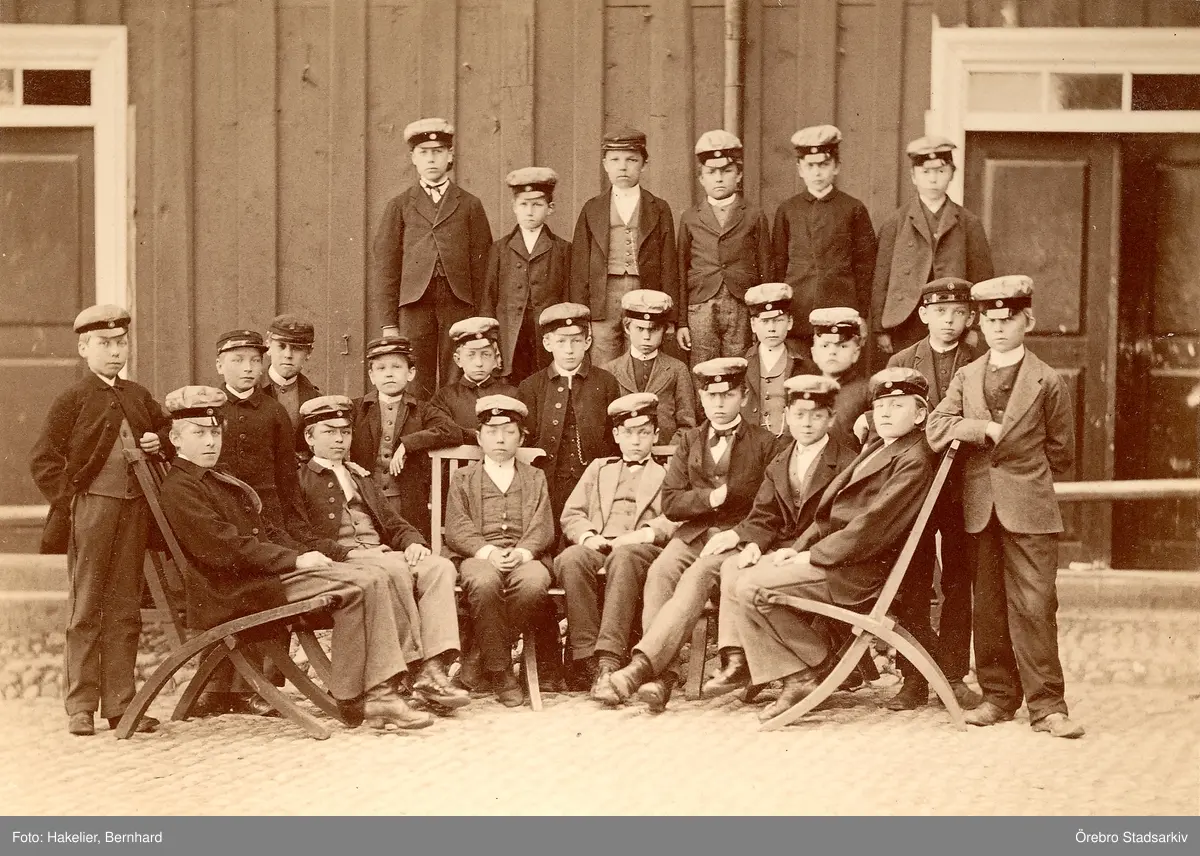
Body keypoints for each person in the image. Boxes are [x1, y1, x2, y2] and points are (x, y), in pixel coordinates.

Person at [158, 385, 433, 731]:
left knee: (369, 578)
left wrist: (302, 553)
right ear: (176, 439)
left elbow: (262, 531)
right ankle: (369, 694)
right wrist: (295, 561)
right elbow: (225, 549)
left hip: (258, 574)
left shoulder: (215, 477)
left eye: (215, 433)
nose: (211, 442)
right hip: (235, 588)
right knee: (365, 581)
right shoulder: (182, 488)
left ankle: (368, 692)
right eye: (199, 434)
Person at [731, 367, 938, 722]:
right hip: (842, 560)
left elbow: (871, 529)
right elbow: (829, 516)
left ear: (920, 415)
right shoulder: (880, 446)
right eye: (881, 405)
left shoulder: (913, 459)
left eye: (897, 405)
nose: (885, 413)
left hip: (859, 573)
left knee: (751, 588)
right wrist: (798, 549)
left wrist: (812, 556)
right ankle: (816, 667)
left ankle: (806, 672)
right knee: (740, 579)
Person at [927, 275, 1083, 739]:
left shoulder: (1048, 380)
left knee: (1035, 604)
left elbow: (1062, 451)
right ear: (980, 323)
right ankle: (998, 697)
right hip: (980, 508)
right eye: (991, 320)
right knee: (989, 607)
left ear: (1027, 322)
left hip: (1030, 509)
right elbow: (937, 426)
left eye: (1008, 320)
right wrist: (983, 430)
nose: (998, 328)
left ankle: (1048, 706)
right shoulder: (967, 375)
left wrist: (1022, 473)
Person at [600, 358, 784, 712]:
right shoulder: (689, 440)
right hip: (693, 533)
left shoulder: (766, 443)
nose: (719, 403)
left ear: (744, 397)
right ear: (701, 398)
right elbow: (671, 503)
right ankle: (662, 677)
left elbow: (771, 505)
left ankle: (642, 669)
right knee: (660, 571)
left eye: (727, 394)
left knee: (696, 576)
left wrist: (739, 534)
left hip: (736, 538)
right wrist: (710, 498)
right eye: (711, 396)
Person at [30, 305, 170, 736]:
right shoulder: (72, 399)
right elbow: (43, 459)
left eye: (121, 343)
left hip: (134, 512)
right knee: (86, 605)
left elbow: (168, 434)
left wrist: (158, 441)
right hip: (91, 511)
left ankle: (121, 705)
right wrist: (72, 503)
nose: (114, 352)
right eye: (104, 344)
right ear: (84, 348)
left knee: (126, 606)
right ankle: (81, 706)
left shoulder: (139, 395)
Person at [296, 395, 468, 712]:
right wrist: (346, 555)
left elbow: (391, 521)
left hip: (379, 554)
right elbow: (300, 536)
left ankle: (434, 667)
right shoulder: (299, 479)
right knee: (395, 569)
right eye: (329, 432)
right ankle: (414, 669)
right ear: (309, 437)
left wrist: (413, 541)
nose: (339, 439)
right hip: (340, 565)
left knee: (439, 567)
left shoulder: (360, 477)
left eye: (345, 432)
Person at [701, 375, 858, 699]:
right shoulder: (781, 461)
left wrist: (793, 552)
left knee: (749, 582)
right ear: (786, 416)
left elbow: (840, 523)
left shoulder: (846, 462)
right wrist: (753, 545)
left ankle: (786, 668)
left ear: (831, 418)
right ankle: (737, 658)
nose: (807, 423)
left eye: (817, 415)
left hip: (821, 556)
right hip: (785, 551)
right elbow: (765, 514)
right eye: (799, 414)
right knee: (733, 565)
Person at [885, 277, 984, 711]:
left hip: (964, 485)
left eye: (959, 313)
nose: (949, 321)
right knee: (912, 578)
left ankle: (953, 674)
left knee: (959, 579)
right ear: (924, 314)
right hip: (915, 485)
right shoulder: (901, 362)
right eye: (940, 312)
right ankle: (913, 677)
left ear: (970, 317)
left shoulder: (980, 361)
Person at [554, 393, 679, 694]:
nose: (636, 441)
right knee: (571, 558)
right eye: (628, 433)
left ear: (655, 435)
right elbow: (572, 513)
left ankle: (608, 661)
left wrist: (643, 534)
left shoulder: (667, 474)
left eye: (644, 433)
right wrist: (588, 536)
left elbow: (676, 516)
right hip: (600, 544)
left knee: (624, 557)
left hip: (640, 550)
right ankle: (586, 658)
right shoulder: (600, 469)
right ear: (616, 435)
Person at [444, 395, 555, 707]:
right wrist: (487, 552)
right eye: (492, 432)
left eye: (508, 432)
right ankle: (501, 671)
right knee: (483, 583)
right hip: (479, 556)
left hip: (524, 556)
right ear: (479, 438)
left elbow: (543, 525)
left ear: (521, 438)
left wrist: (522, 553)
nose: (501, 439)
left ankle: (479, 657)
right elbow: (457, 526)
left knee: (534, 583)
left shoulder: (535, 476)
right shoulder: (463, 477)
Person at [369, 117, 492, 394]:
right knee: (415, 376)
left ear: (450, 155)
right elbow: (387, 266)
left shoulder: (470, 204)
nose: (431, 159)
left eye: (438, 151)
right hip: (415, 304)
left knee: (457, 374)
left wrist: (482, 316)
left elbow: (483, 266)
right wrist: (389, 323)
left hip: (458, 302)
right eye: (424, 152)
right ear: (413, 158)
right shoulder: (399, 205)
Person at [871, 136, 994, 357]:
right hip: (905, 321)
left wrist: (975, 326)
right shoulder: (895, 223)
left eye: (940, 171)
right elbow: (881, 278)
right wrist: (880, 328)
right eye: (925, 172)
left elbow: (982, 279)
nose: (933, 179)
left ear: (952, 173)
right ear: (913, 176)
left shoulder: (969, 223)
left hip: (953, 320)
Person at [570, 127, 679, 366]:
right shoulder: (592, 208)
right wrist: (580, 312)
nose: (623, 167)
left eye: (631, 160)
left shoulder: (659, 208)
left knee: (641, 353)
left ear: (644, 164)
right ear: (605, 164)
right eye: (615, 160)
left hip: (644, 290)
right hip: (603, 294)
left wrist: (671, 315)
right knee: (603, 353)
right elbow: (579, 266)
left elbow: (669, 263)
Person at [771, 125, 876, 345]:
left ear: (836, 167)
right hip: (798, 309)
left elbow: (865, 266)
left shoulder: (853, 208)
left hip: (840, 307)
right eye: (810, 166)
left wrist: (861, 313)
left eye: (824, 165)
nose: (817, 173)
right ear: (800, 169)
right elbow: (779, 263)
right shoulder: (788, 209)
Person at [517, 303, 621, 522]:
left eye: (576, 341)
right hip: (548, 484)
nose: (569, 349)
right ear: (547, 343)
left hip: (594, 482)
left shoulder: (606, 382)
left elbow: (613, 439)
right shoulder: (531, 387)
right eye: (561, 341)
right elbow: (526, 441)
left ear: (588, 342)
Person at [349, 333, 458, 541]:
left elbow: (451, 431)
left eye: (397, 367)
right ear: (371, 376)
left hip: (407, 503)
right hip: (367, 500)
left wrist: (408, 444)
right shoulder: (356, 409)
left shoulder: (422, 410)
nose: (389, 374)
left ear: (411, 373)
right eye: (381, 368)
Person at [675, 130, 772, 365]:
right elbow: (680, 270)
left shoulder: (753, 215)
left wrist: (763, 314)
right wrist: (682, 322)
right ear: (701, 178)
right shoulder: (690, 217)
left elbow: (766, 267)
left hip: (741, 303)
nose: (719, 178)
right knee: (702, 366)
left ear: (739, 175)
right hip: (701, 303)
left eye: (726, 171)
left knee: (739, 364)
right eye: (711, 172)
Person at [480, 167, 571, 385]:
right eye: (523, 204)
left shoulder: (563, 249)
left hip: (545, 333)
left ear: (550, 208)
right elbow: (488, 298)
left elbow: (568, 297)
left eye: (537, 205)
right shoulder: (500, 249)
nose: (529, 211)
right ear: (514, 207)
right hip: (510, 333)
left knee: (545, 381)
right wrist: (489, 339)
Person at [211, 329, 303, 534]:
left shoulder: (274, 410)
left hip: (267, 515)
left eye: (255, 361)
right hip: (223, 512)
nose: (248, 368)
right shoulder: (211, 409)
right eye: (238, 360)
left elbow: (287, 475)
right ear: (219, 366)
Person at [602, 289, 696, 445]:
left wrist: (670, 453)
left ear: (664, 329)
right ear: (627, 328)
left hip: (667, 453)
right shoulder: (610, 370)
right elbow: (604, 427)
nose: (646, 337)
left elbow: (687, 424)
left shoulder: (677, 369)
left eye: (654, 329)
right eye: (639, 329)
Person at [428, 317, 520, 446]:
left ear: (496, 358)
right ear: (458, 360)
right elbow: (442, 432)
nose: (479, 363)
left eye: (486, 354)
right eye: (471, 355)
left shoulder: (512, 394)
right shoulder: (444, 397)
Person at [741, 283, 813, 438]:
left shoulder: (803, 365)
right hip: (751, 445)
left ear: (790, 322)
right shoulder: (741, 365)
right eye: (764, 321)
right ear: (753, 325)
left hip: (788, 443)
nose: (771, 328)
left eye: (778, 320)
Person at [808, 307, 870, 451]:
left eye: (842, 346)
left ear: (856, 353)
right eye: (825, 346)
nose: (832, 352)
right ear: (814, 353)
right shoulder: (806, 388)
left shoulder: (866, 390)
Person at [258, 313, 322, 432]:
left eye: (297, 348)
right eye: (281, 346)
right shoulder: (251, 390)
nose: (288, 355)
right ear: (268, 346)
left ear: (309, 353)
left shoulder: (315, 398)